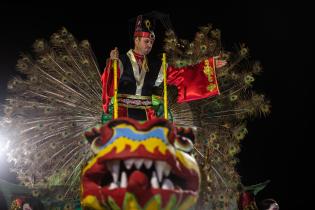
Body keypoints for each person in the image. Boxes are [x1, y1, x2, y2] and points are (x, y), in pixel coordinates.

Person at [101, 13, 227, 121]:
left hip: (148, 118)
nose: (149, 45)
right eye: (146, 41)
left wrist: (208, 66)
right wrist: (112, 63)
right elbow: (110, 84)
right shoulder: (121, 60)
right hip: (123, 115)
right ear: (136, 40)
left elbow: (182, 74)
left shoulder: (156, 66)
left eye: (151, 42)